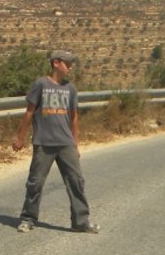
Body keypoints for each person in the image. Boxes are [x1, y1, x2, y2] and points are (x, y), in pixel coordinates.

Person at [11, 49, 99, 234]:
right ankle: (28, 218)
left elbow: (74, 116)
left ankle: (81, 221)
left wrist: (75, 143)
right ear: (56, 63)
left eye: (71, 64)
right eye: (67, 63)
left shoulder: (71, 89)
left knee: (76, 181)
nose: (70, 67)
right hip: (43, 142)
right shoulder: (40, 84)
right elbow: (29, 112)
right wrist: (20, 136)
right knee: (35, 183)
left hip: (65, 143)